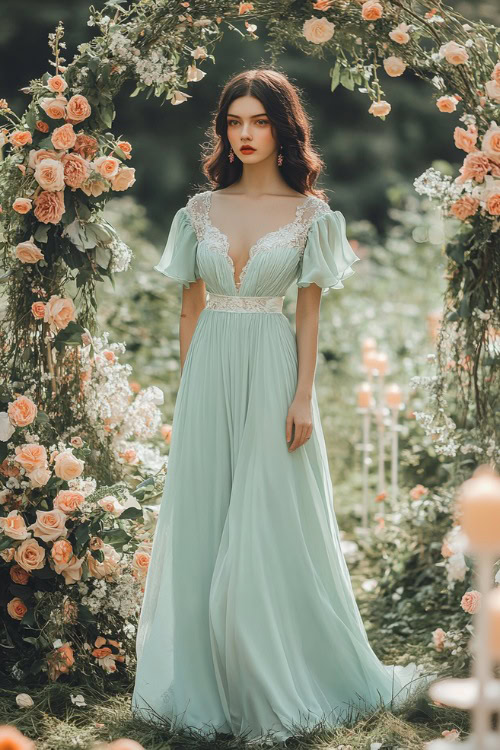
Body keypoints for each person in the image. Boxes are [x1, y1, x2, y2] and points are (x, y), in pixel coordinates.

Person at [131, 67, 430, 742]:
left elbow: (307, 315)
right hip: (208, 377)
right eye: (234, 121)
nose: (244, 134)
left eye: (258, 122)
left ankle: (275, 675)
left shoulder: (311, 215)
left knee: (266, 526)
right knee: (207, 523)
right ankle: (205, 682)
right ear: (222, 128)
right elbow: (189, 308)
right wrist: (191, 393)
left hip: (273, 373)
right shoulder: (198, 211)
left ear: (282, 128)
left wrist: (303, 397)